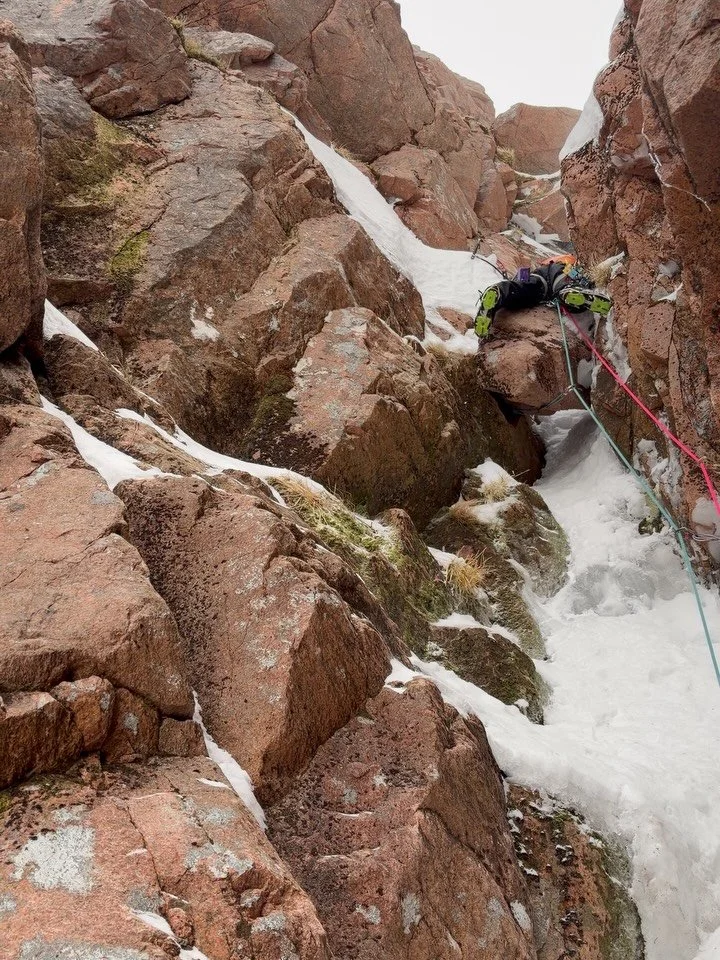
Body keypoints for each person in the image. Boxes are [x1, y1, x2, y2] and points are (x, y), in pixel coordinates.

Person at [474, 257, 612, 338]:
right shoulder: (567, 263)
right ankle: (570, 292)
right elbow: (583, 277)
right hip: (562, 272)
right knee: (564, 288)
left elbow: (521, 278)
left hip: (537, 278)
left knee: (519, 289)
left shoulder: (539, 268)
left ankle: (499, 291)